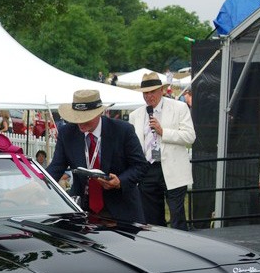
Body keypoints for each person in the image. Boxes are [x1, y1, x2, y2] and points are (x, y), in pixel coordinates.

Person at [46, 89, 147, 223]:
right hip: (83, 210)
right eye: (77, 118)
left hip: (120, 210)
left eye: (85, 119)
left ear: (99, 113)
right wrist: (39, 185)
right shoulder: (67, 133)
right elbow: (56, 167)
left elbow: (140, 166)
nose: (80, 123)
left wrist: (120, 181)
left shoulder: (123, 131)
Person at [128, 71, 196, 230]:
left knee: (177, 217)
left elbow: (190, 137)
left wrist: (163, 132)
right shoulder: (135, 115)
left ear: (162, 90)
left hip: (174, 169)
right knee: (151, 219)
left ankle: (181, 249)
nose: (149, 96)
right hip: (147, 171)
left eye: (152, 92)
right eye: (145, 93)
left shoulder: (179, 107)